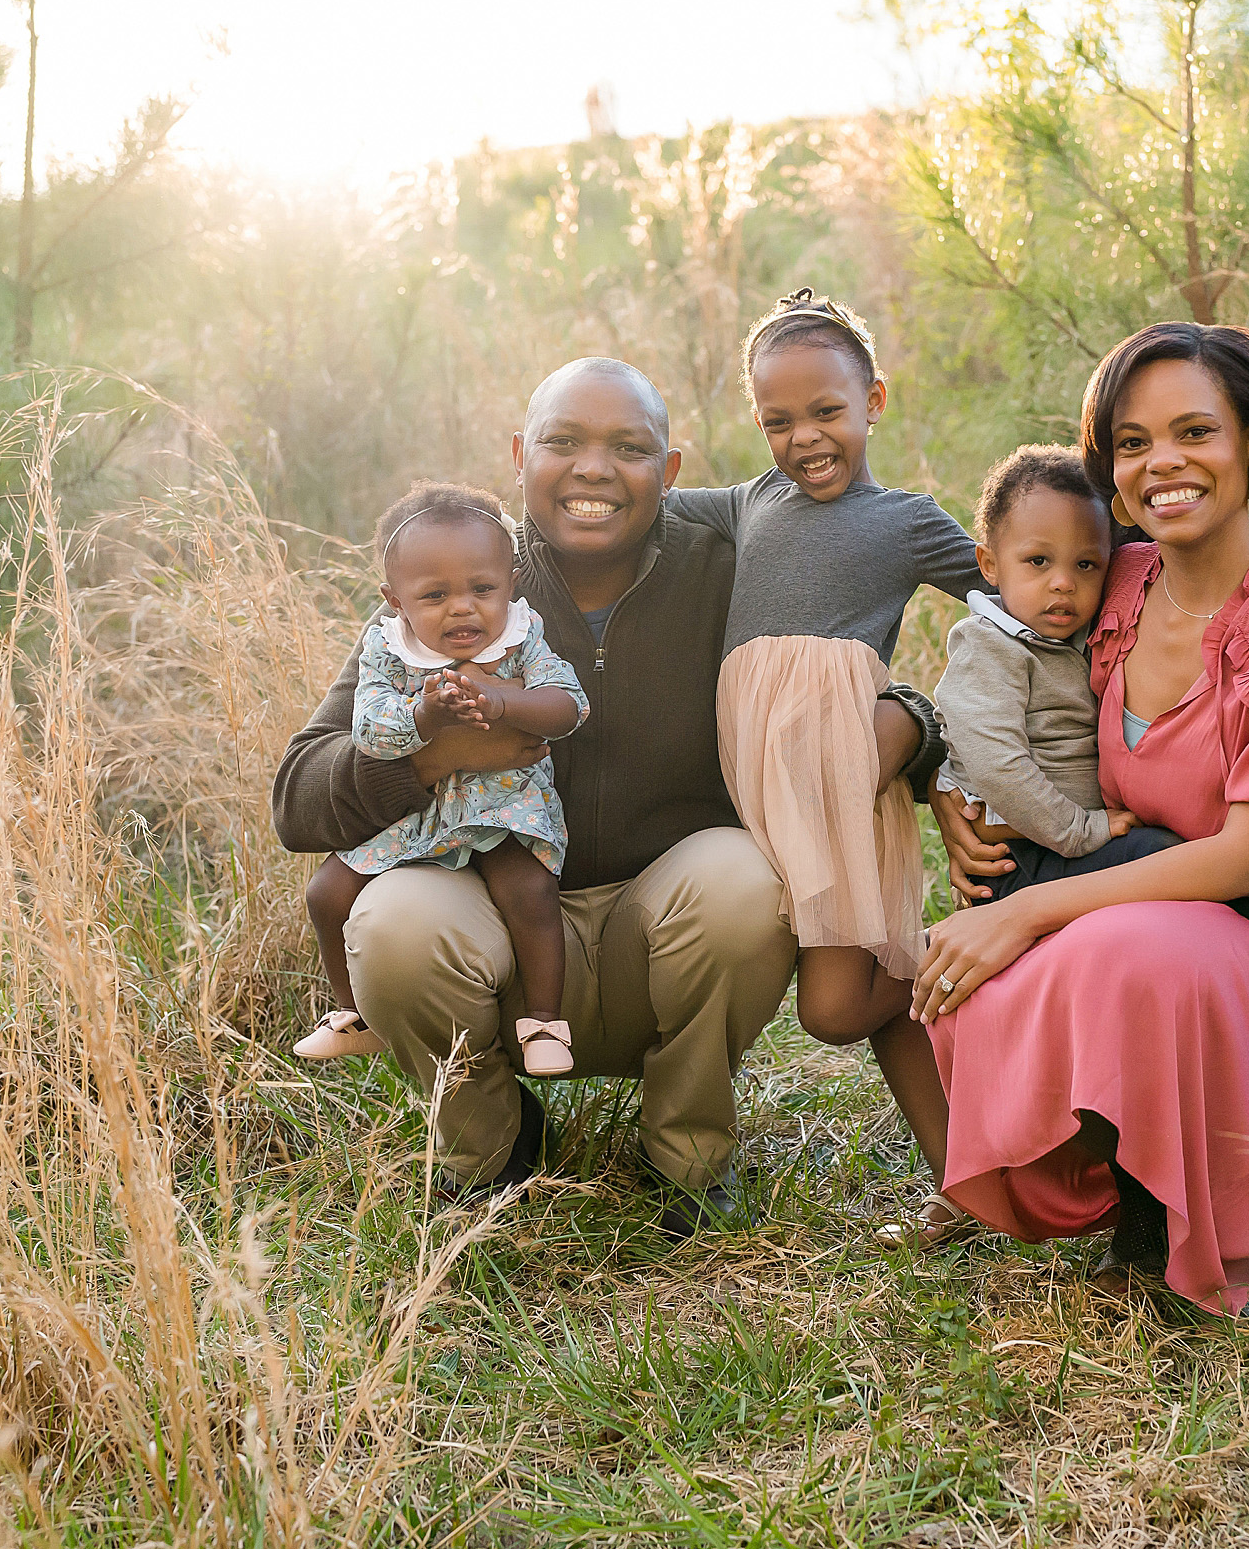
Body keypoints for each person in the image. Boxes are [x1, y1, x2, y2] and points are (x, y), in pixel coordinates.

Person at [272, 357, 935, 1235]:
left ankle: (688, 1155)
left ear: (669, 473)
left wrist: (913, 723)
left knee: (744, 879)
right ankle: (486, 1154)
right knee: (392, 920)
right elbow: (299, 795)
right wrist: (435, 755)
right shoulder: (457, 584)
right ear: (519, 456)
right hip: (491, 932)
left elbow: (834, 669)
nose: (593, 467)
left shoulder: (731, 568)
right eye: (563, 441)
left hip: (656, 932)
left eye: (628, 447)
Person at [913, 321, 1249, 1312]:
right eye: (1133, 443)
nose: (1162, 463)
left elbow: (1241, 857)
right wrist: (946, 789)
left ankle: (1176, 1243)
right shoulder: (1108, 580)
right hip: (1115, 901)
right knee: (981, 962)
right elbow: (992, 679)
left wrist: (1024, 911)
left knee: (1132, 953)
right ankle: (1096, 1173)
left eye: (1195, 431)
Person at [659, 288, 981, 1208]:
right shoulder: (750, 501)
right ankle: (967, 1181)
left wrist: (936, 724)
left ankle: (950, 974)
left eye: (828, 411)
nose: (805, 437)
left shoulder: (907, 520)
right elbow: (647, 505)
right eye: (778, 419)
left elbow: (1012, 596)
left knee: (838, 1009)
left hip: (848, 774)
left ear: (874, 401)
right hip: (761, 789)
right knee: (859, 998)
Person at [292, 482, 589, 1077]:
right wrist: (427, 718)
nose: (463, 608)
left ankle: (545, 1025)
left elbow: (568, 706)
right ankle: (354, 1017)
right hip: (417, 815)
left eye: (483, 588)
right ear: (394, 599)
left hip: (503, 805)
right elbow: (370, 730)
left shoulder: (521, 637)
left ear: (511, 581)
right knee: (326, 891)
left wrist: (505, 703)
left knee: (527, 890)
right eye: (434, 595)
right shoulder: (387, 648)